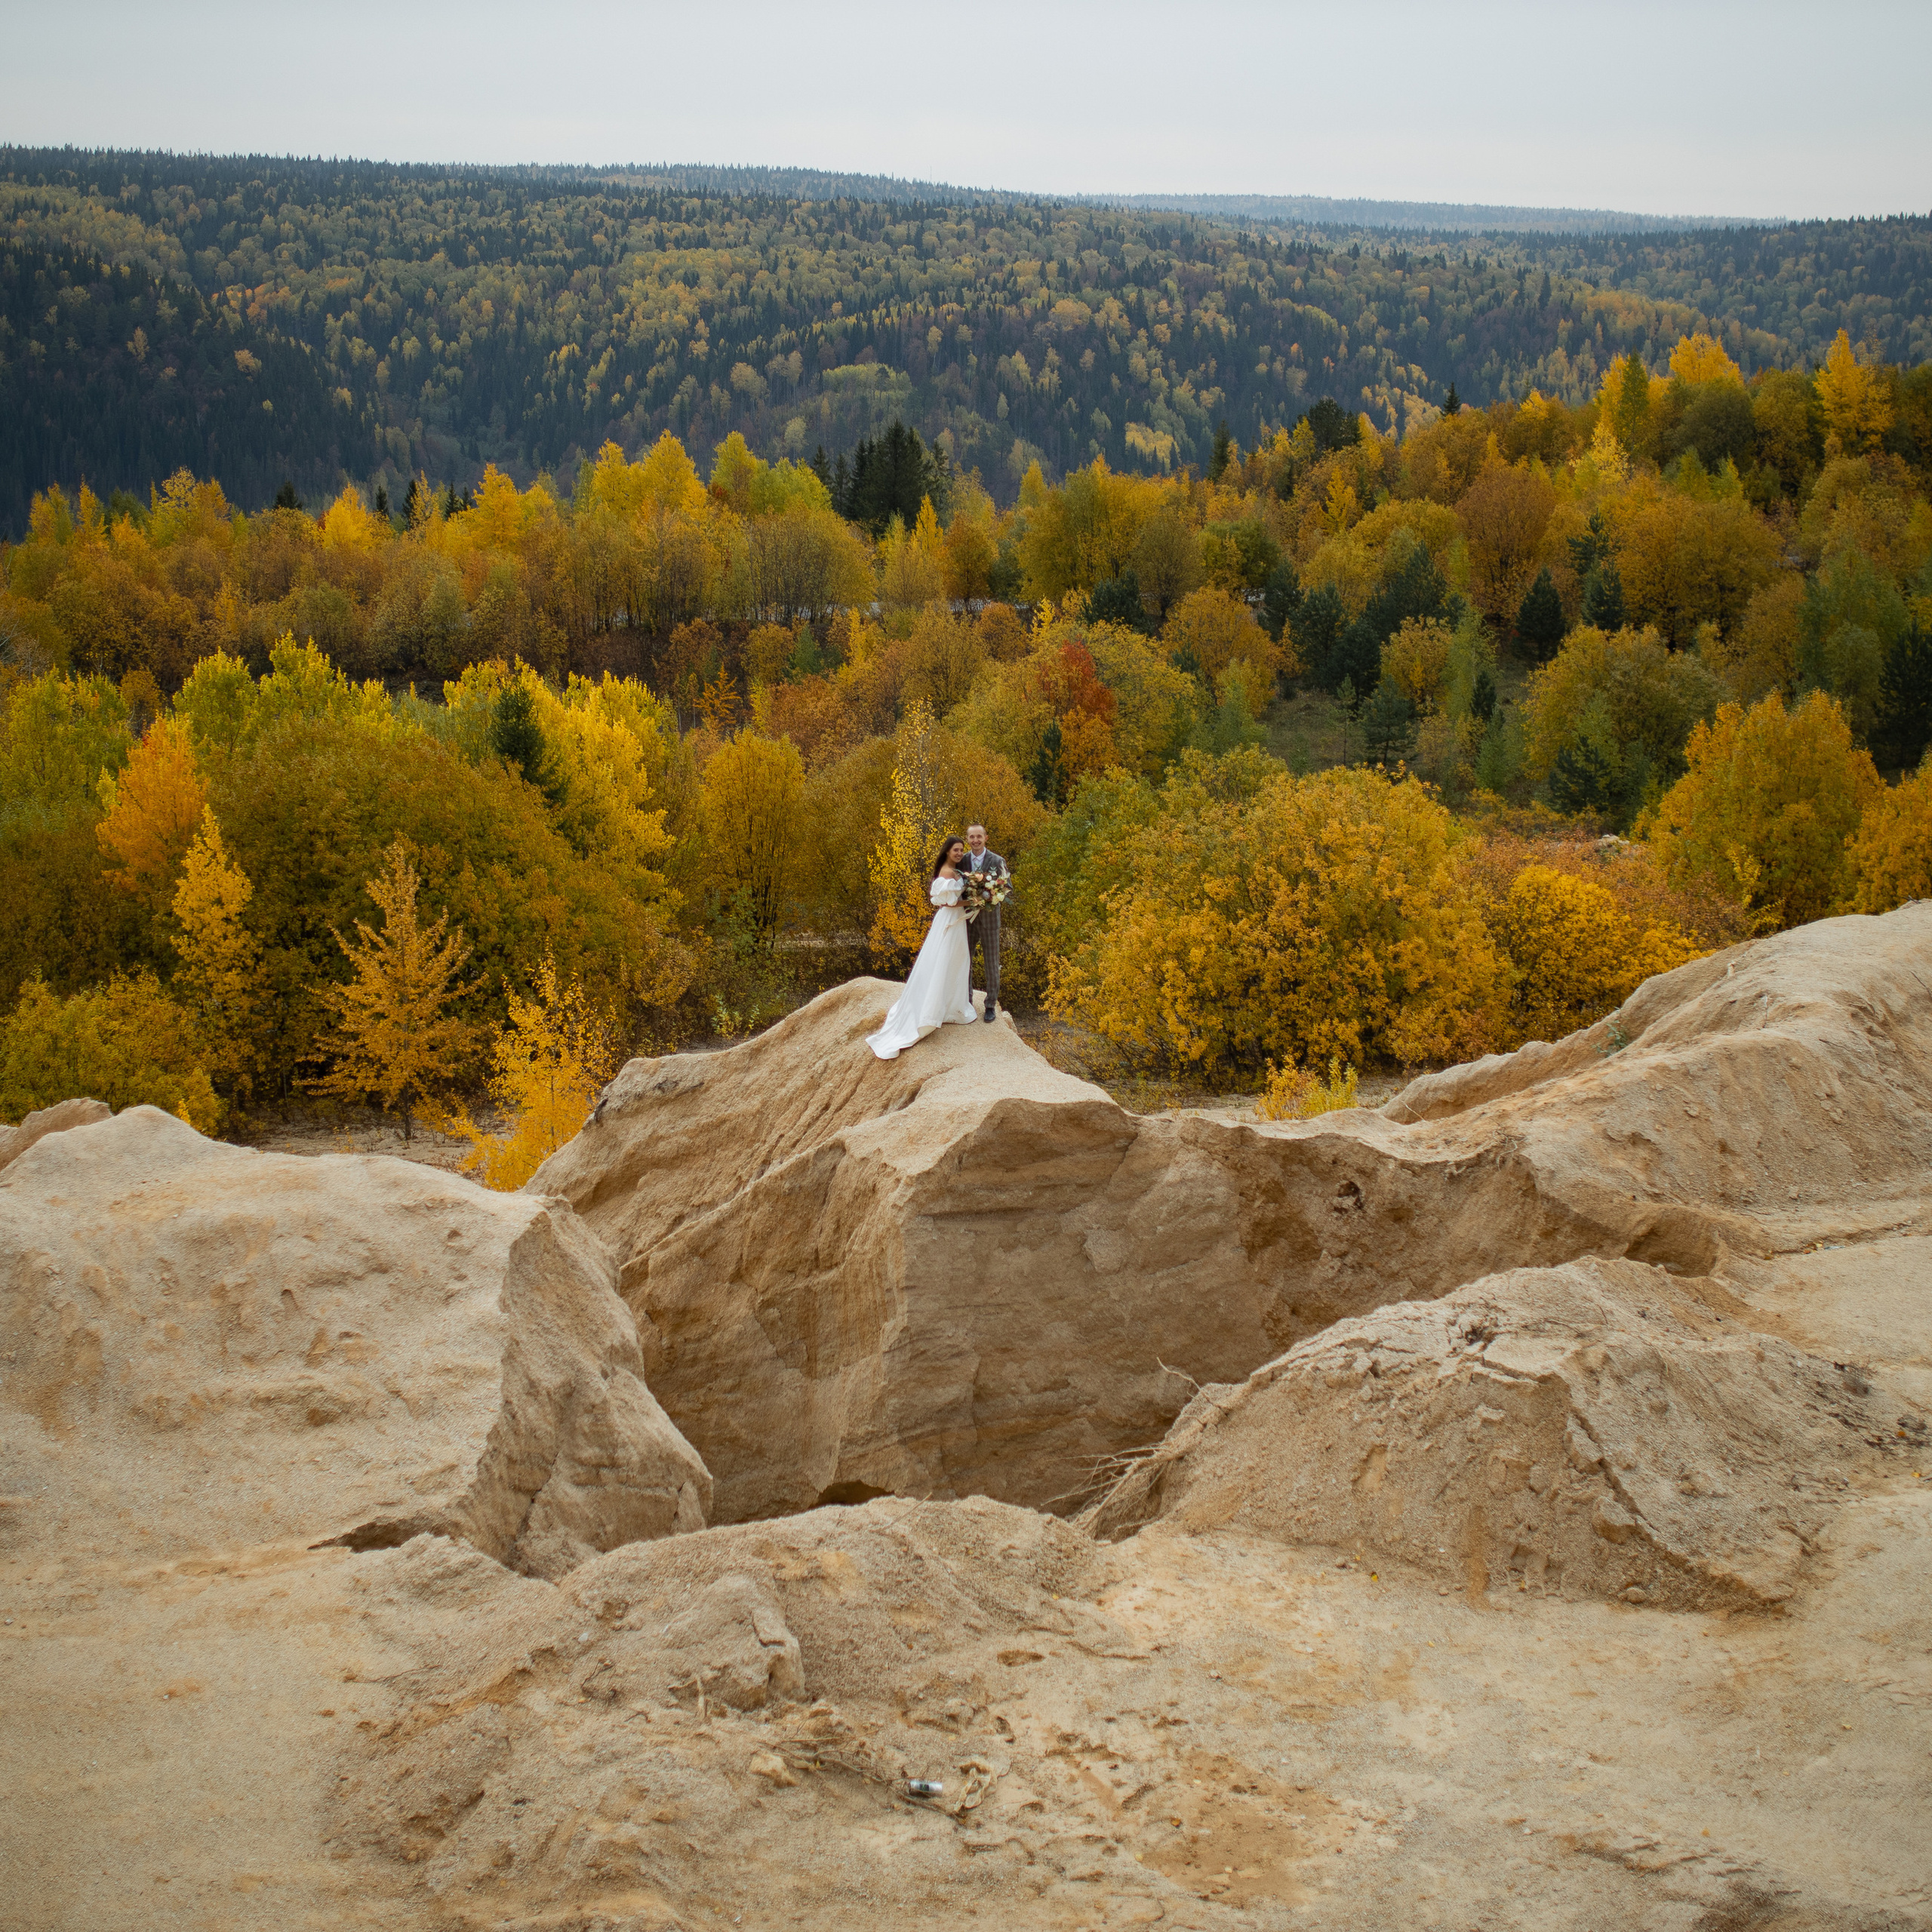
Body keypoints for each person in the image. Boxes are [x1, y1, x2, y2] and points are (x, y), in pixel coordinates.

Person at [864, 835, 977, 1060]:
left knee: (955, 960)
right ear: (947, 851)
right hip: (950, 921)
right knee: (947, 961)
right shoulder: (948, 872)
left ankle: (951, 1003)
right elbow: (950, 902)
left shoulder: (954, 871)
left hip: (953, 921)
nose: (959, 853)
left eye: (961, 850)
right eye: (956, 850)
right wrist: (976, 902)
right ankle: (939, 1007)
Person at [961, 823, 1008, 1022]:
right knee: (966, 961)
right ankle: (967, 1002)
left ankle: (990, 1005)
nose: (976, 841)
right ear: (967, 839)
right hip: (968, 919)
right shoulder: (962, 861)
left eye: (979, 836)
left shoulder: (997, 861)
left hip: (990, 919)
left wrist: (993, 896)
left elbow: (1008, 888)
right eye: (972, 837)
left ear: (986, 838)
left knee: (991, 963)